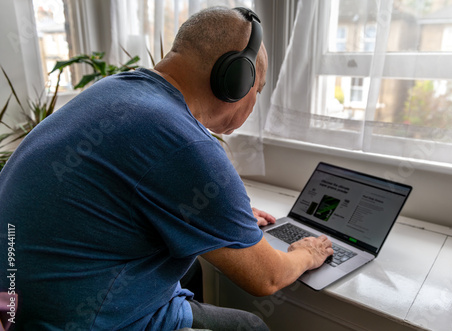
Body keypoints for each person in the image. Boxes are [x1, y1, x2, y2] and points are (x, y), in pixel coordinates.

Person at [0, 6, 334, 330]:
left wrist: (225, 216)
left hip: (15, 302)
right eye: (256, 88)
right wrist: (306, 253)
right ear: (236, 78)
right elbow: (267, 277)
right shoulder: (185, 143)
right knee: (251, 324)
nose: (254, 100)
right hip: (73, 319)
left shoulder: (116, 89)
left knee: (191, 272)